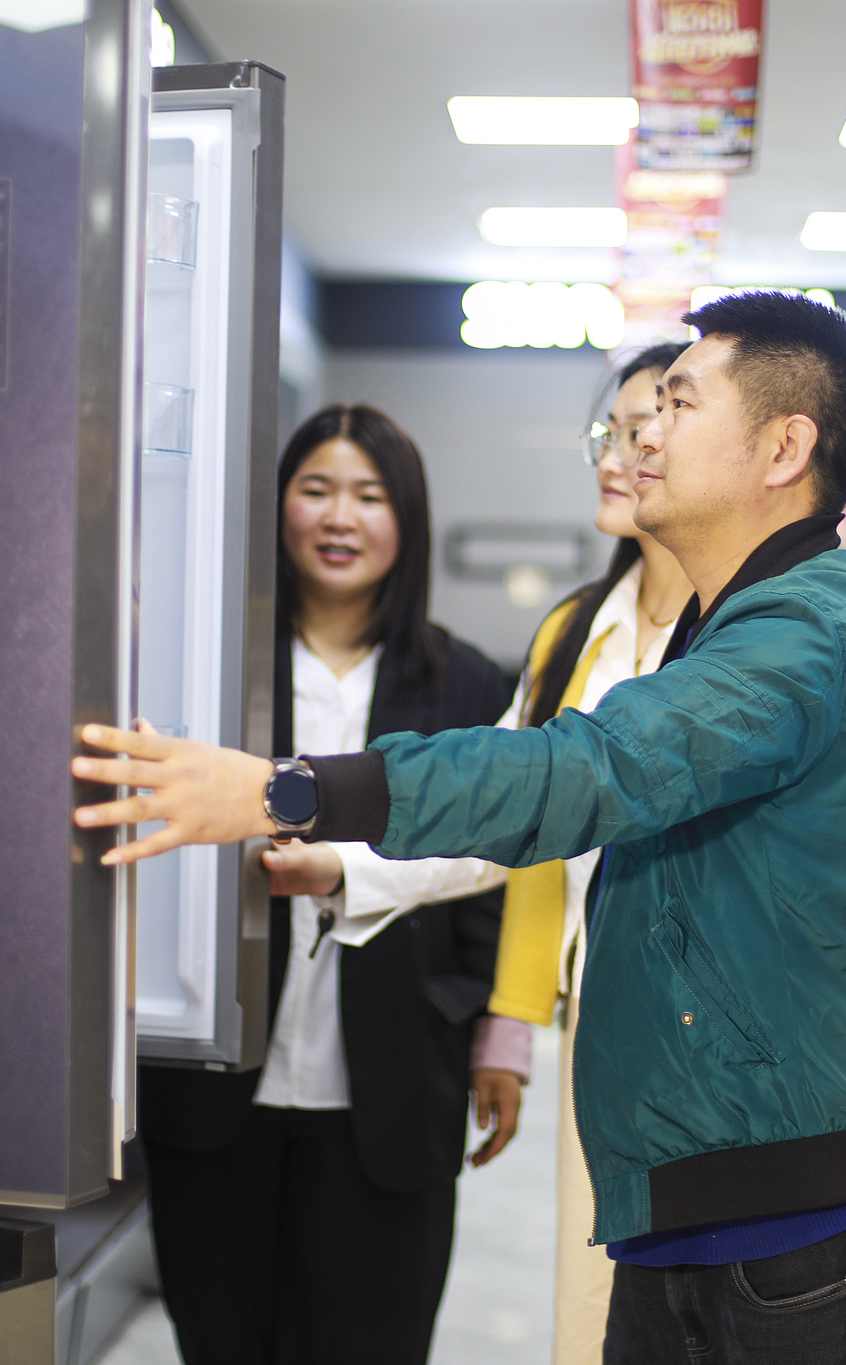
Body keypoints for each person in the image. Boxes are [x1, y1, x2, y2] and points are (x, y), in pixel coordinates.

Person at [76, 293, 846, 1365]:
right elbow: (536, 809)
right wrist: (337, 865)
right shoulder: (708, 623)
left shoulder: (808, 625)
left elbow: (583, 771)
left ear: (783, 447)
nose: (642, 430)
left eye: (678, 403)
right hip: (688, 1195)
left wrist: (290, 789)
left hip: (815, 1216)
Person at [134, 404, 521, 1365]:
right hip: (218, 1089)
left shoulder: (466, 684)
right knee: (223, 1341)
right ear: (278, 509)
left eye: (368, 495)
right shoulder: (208, 668)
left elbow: (494, 874)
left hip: (391, 1084)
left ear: (408, 520)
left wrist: (494, 1032)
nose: (339, 517)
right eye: (315, 490)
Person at [470, 339, 695, 1365]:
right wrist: (513, 1022)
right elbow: (512, 824)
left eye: (652, 424)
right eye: (610, 427)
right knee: (593, 1318)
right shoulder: (574, 630)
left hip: (720, 1054)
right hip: (595, 1043)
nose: (619, 450)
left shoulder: (757, 632)